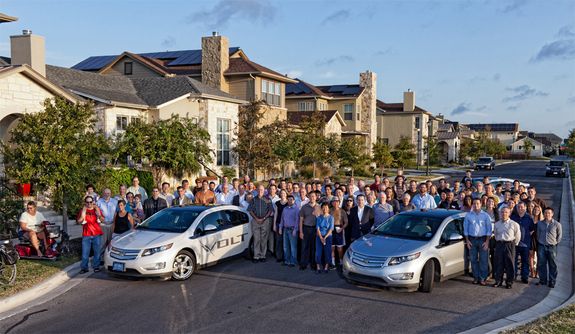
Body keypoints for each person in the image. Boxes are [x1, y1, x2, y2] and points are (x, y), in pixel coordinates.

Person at [464, 198, 493, 285]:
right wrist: (467, 241)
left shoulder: (486, 216)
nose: (476, 205)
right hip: (472, 239)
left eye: (477, 203)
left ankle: (482, 278)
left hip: (483, 239)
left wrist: (487, 241)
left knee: (483, 260)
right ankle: (476, 277)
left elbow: (489, 229)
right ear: (472, 204)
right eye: (474, 203)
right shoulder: (468, 216)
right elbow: (466, 229)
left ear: (481, 205)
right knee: (473, 259)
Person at [493, 207, 521, 289]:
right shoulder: (497, 224)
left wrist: (513, 244)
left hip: (510, 245)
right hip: (499, 244)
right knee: (499, 264)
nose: (504, 214)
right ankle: (498, 281)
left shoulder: (514, 224)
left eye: (506, 212)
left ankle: (509, 282)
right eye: (502, 212)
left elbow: (518, 236)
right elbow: (496, 234)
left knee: (510, 264)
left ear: (509, 213)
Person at [76, 196, 104, 274]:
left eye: (91, 202)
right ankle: (84, 268)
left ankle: (96, 266)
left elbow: (102, 220)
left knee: (97, 252)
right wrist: (82, 215)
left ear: (93, 202)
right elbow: (79, 221)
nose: (89, 204)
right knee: (85, 253)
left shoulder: (96, 209)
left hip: (96, 234)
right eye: (87, 202)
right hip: (86, 234)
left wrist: (99, 215)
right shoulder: (82, 210)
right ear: (85, 203)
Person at [248, 185, 274, 263]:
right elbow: (250, 210)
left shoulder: (268, 199)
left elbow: (270, 210)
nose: (260, 191)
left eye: (262, 190)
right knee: (256, 239)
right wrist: (256, 219)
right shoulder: (253, 200)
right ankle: (256, 256)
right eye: (259, 190)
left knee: (264, 239)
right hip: (255, 221)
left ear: (264, 190)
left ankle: (263, 255)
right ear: (256, 190)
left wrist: (264, 218)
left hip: (265, 221)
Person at [537, 208, 562, 288]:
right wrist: (540, 241)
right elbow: (538, 234)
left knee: (552, 264)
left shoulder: (557, 224)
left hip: (552, 246)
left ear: (552, 214)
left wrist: (554, 243)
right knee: (541, 264)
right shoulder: (540, 223)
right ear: (543, 214)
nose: (547, 214)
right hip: (541, 246)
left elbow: (559, 236)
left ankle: (552, 281)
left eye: (549, 213)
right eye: (545, 213)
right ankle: (543, 280)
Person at [511, 201, 535, 284]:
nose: (520, 209)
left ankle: (524, 277)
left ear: (525, 208)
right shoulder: (513, 217)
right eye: (518, 207)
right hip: (515, 243)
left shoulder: (529, 218)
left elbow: (532, 230)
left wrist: (525, 236)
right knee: (513, 260)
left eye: (522, 207)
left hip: (525, 244)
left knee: (525, 261)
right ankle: (513, 275)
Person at [299, 191, 320, 270]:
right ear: (309, 197)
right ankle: (303, 263)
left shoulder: (319, 207)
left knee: (314, 247)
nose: (312, 198)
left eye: (314, 196)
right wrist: (301, 232)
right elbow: (301, 220)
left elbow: (321, 219)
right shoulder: (304, 207)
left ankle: (313, 264)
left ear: (316, 197)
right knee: (304, 247)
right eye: (311, 196)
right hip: (306, 228)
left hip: (315, 229)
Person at [96, 188, 118, 259]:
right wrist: (99, 216)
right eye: (105, 193)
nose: (107, 194)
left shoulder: (115, 201)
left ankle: (110, 258)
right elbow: (95, 212)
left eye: (108, 193)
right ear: (103, 193)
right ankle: (100, 259)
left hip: (112, 224)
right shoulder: (99, 202)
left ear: (111, 194)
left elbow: (117, 212)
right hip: (103, 225)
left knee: (111, 243)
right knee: (102, 243)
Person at [279, 195, 299, 267]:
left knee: (293, 247)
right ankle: (287, 261)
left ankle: (293, 261)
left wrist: (295, 230)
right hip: (285, 229)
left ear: (294, 200)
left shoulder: (296, 209)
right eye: (289, 199)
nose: (290, 201)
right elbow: (282, 219)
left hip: (292, 229)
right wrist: (280, 228)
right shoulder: (285, 209)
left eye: (291, 199)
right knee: (285, 246)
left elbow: (297, 220)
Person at [315, 202, 334, 274]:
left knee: (327, 251)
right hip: (319, 236)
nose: (325, 209)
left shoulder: (331, 218)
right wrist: (321, 237)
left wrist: (325, 237)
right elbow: (317, 228)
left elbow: (331, 228)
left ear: (328, 209)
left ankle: (326, 266)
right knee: (318, 252)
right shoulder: (319, 217)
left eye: (326, 207)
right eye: (323, 207)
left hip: (328, 236)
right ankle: (318, 267)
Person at [330, 197, 348, 268]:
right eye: (334, 201)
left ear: (339, 202)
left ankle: (341, 262)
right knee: (332, 247)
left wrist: (342, 228)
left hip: (339, 229)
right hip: (331, 230)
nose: (335, 202)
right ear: (332, 202)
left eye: (337, 201)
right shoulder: (329, 210)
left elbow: (346, 222)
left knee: (340, 248)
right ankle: (333, 263)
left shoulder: (342, 211)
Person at [273, 189, 288, 262]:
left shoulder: (289, 202)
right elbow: (275, 214)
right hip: (278, 223)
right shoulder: (277, 203)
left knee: (286, 241)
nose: (282, 194)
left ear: (286, 194)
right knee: (278, 241)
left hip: (286, 225)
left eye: (284, 193)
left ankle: (286, 257)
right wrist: (274, 225)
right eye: (281, 193)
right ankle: (279, 256)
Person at [530, 204, 543, 278]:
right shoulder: (530, 218)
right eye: (535, 209)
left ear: (540, 211)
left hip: (539, 240)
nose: (536, 211)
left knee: (539, 256)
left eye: (538, 210)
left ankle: (537, 272)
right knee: (531, 256)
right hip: (531, 239)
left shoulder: (542, 221)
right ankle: (532, 271)